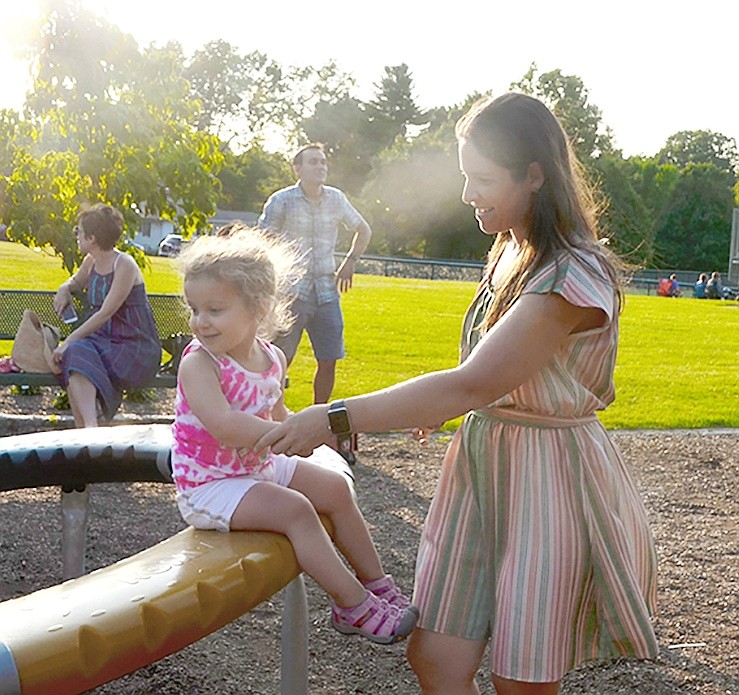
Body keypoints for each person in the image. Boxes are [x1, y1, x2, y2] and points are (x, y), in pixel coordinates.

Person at [257, 93, 659, 694]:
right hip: (481, 468)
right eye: (464, 177)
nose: (469, 194)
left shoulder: (573, 273)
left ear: (534, 176)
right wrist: (451, 406)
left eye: (483, 179)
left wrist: (333, 418)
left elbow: (473, 382)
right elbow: (483, 373)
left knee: (521, 680)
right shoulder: (509, 249)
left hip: (548, 479)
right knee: (436, 660)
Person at [170, 228, 417, 646]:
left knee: (335, 488)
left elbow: (278, 414)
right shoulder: (200, 364)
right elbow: (226, 425)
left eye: (215, 309)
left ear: (258, 308)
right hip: (211, 485)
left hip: (257, 467)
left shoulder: (272, 356)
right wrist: (288, 436)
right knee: (296, 511)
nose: (200, 321)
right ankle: (351, 606)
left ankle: (376, 584)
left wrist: (315, 438)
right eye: (195, 308)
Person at [257, 143, 372, 405]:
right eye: (313, 162)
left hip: (326, 293)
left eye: (323, 162)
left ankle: (318, 417)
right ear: (298, 169)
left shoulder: (336, 198)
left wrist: (350, 261)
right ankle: (275, 416)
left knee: (329, 358)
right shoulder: (281, 200)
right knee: (279, 359)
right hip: (290, 292)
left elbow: (363, 230)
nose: (321, 166)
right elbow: (262, 241)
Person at [52, 203, 161, 427]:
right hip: (104, 343)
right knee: (75, 357)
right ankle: (89, 430)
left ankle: (90, 432)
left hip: (133, 347)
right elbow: (76, 281)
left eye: (79, 232)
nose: (77, 236)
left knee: (75, 351)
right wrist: (65, 288)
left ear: (92, 238)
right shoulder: (91, 261)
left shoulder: (125, 265)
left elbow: (105, 313)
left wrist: (68, 341)